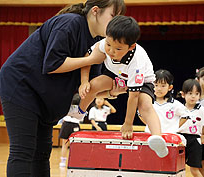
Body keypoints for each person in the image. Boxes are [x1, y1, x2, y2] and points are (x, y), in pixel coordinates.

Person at [0, 1, 126, 177]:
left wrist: (114, 92)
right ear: (96, 11)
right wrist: (90, 60)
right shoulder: (70, 23)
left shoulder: (97, 43)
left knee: (42, 153)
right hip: (21, 87)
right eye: (113, 15)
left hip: (45, 100)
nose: (115, 22)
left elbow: (89, 89)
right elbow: (52, 64)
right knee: (23, 151)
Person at [69, 15, 169, 158]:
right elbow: (87, 58)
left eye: (118, 48)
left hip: (142, 80)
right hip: (116, 74)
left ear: (131, 47)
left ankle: (157, 138)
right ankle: (79, 112)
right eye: (109, 45)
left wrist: (128, 124)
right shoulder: (105, 43)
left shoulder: (137, 63)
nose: (110, 51)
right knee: (92, 86)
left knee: (144, 104)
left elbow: (133, 96)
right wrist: (84, 81)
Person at [139, 69, 188, 145]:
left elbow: (185, 116)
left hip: (170, 138)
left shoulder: (175, 104)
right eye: (156, 85)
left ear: (170, 87)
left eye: (163, 86)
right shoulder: (148, 102)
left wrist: (173, 126)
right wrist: (150, 124)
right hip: (151, 136)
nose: (159, 89)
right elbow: (141, 114)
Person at [58, 94, 81, 168]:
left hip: (66, 124)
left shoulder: (66, 106)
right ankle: (74, 162)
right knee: (75, 146)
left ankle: (63, 162)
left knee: (64, 145)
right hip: (75, 125)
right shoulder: (81, 108)